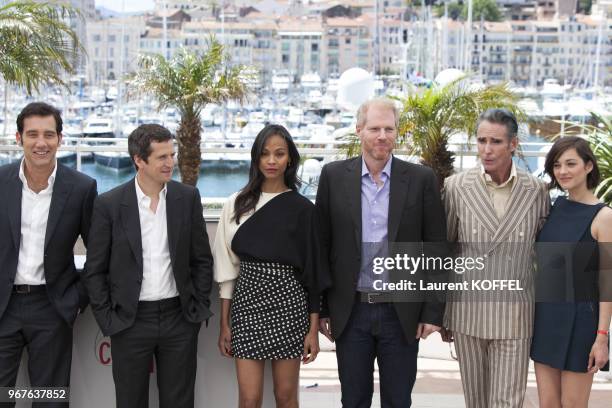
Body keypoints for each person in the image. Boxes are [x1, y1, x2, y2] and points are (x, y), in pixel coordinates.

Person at [315, 98, 448, 407]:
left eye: (389, 129)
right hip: (351, 311)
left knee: (399, 400)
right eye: (375, 128)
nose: (382, 136)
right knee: (354, 400)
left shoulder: (420, 179)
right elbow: (321, 245)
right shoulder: (333, 176)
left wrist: (432, 311)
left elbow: (436, 248)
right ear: (359, 130)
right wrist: (322, 308)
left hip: (400, 311)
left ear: (397, 133)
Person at [83, 124, 213, 408]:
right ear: (139, 161)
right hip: (129, 322)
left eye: (172, 154)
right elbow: (95, 270)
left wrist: (196, 307)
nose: (171, 163)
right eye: (162, 157)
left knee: (179, 402)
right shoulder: (109, 204)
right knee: (130, 402)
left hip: (178, 318)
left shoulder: (187, 198)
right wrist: (110, 321)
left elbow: (201, 259)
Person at [213, 124, 329, 408]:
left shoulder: (305, 210)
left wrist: (312, 330)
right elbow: (227, 270)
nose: (272, 161)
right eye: (265, 154)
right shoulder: (236, 204)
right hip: (247, 305)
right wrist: (224, 324)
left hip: (290, 307)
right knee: (249, 399)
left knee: (286, 397)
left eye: (279, 154)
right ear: (256, 159)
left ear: (290, 158)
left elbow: (313, 275)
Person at [442, 108, 550, 408]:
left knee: (507, 401)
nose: (486, 150)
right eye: (481, 140)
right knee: (475, 400)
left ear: (513, 144)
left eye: (496, 142)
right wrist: (444, 312)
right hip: (468, 311)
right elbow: (448, 250)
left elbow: (544, 254)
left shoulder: (536, 190)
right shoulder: (456, 187)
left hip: (516, 313)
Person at [0, 102, 97, 407]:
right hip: (3, 307)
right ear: (19, 138)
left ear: (60, 138)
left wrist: (75, 301)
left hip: (52, 308)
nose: (41, 143)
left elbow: (99, 252)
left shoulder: (82, 187)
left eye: (48, 134)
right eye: (32, 135)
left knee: (50, 401)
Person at [531, 136, 611, 408]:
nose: (562, 171)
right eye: (557, 165)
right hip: (545, 317)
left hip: (581, 323)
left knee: (573, 405)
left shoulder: (604, 216)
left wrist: (602, 338)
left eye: (571, 163)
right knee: (548, 404)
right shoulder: (553, 208)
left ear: (588, 166)